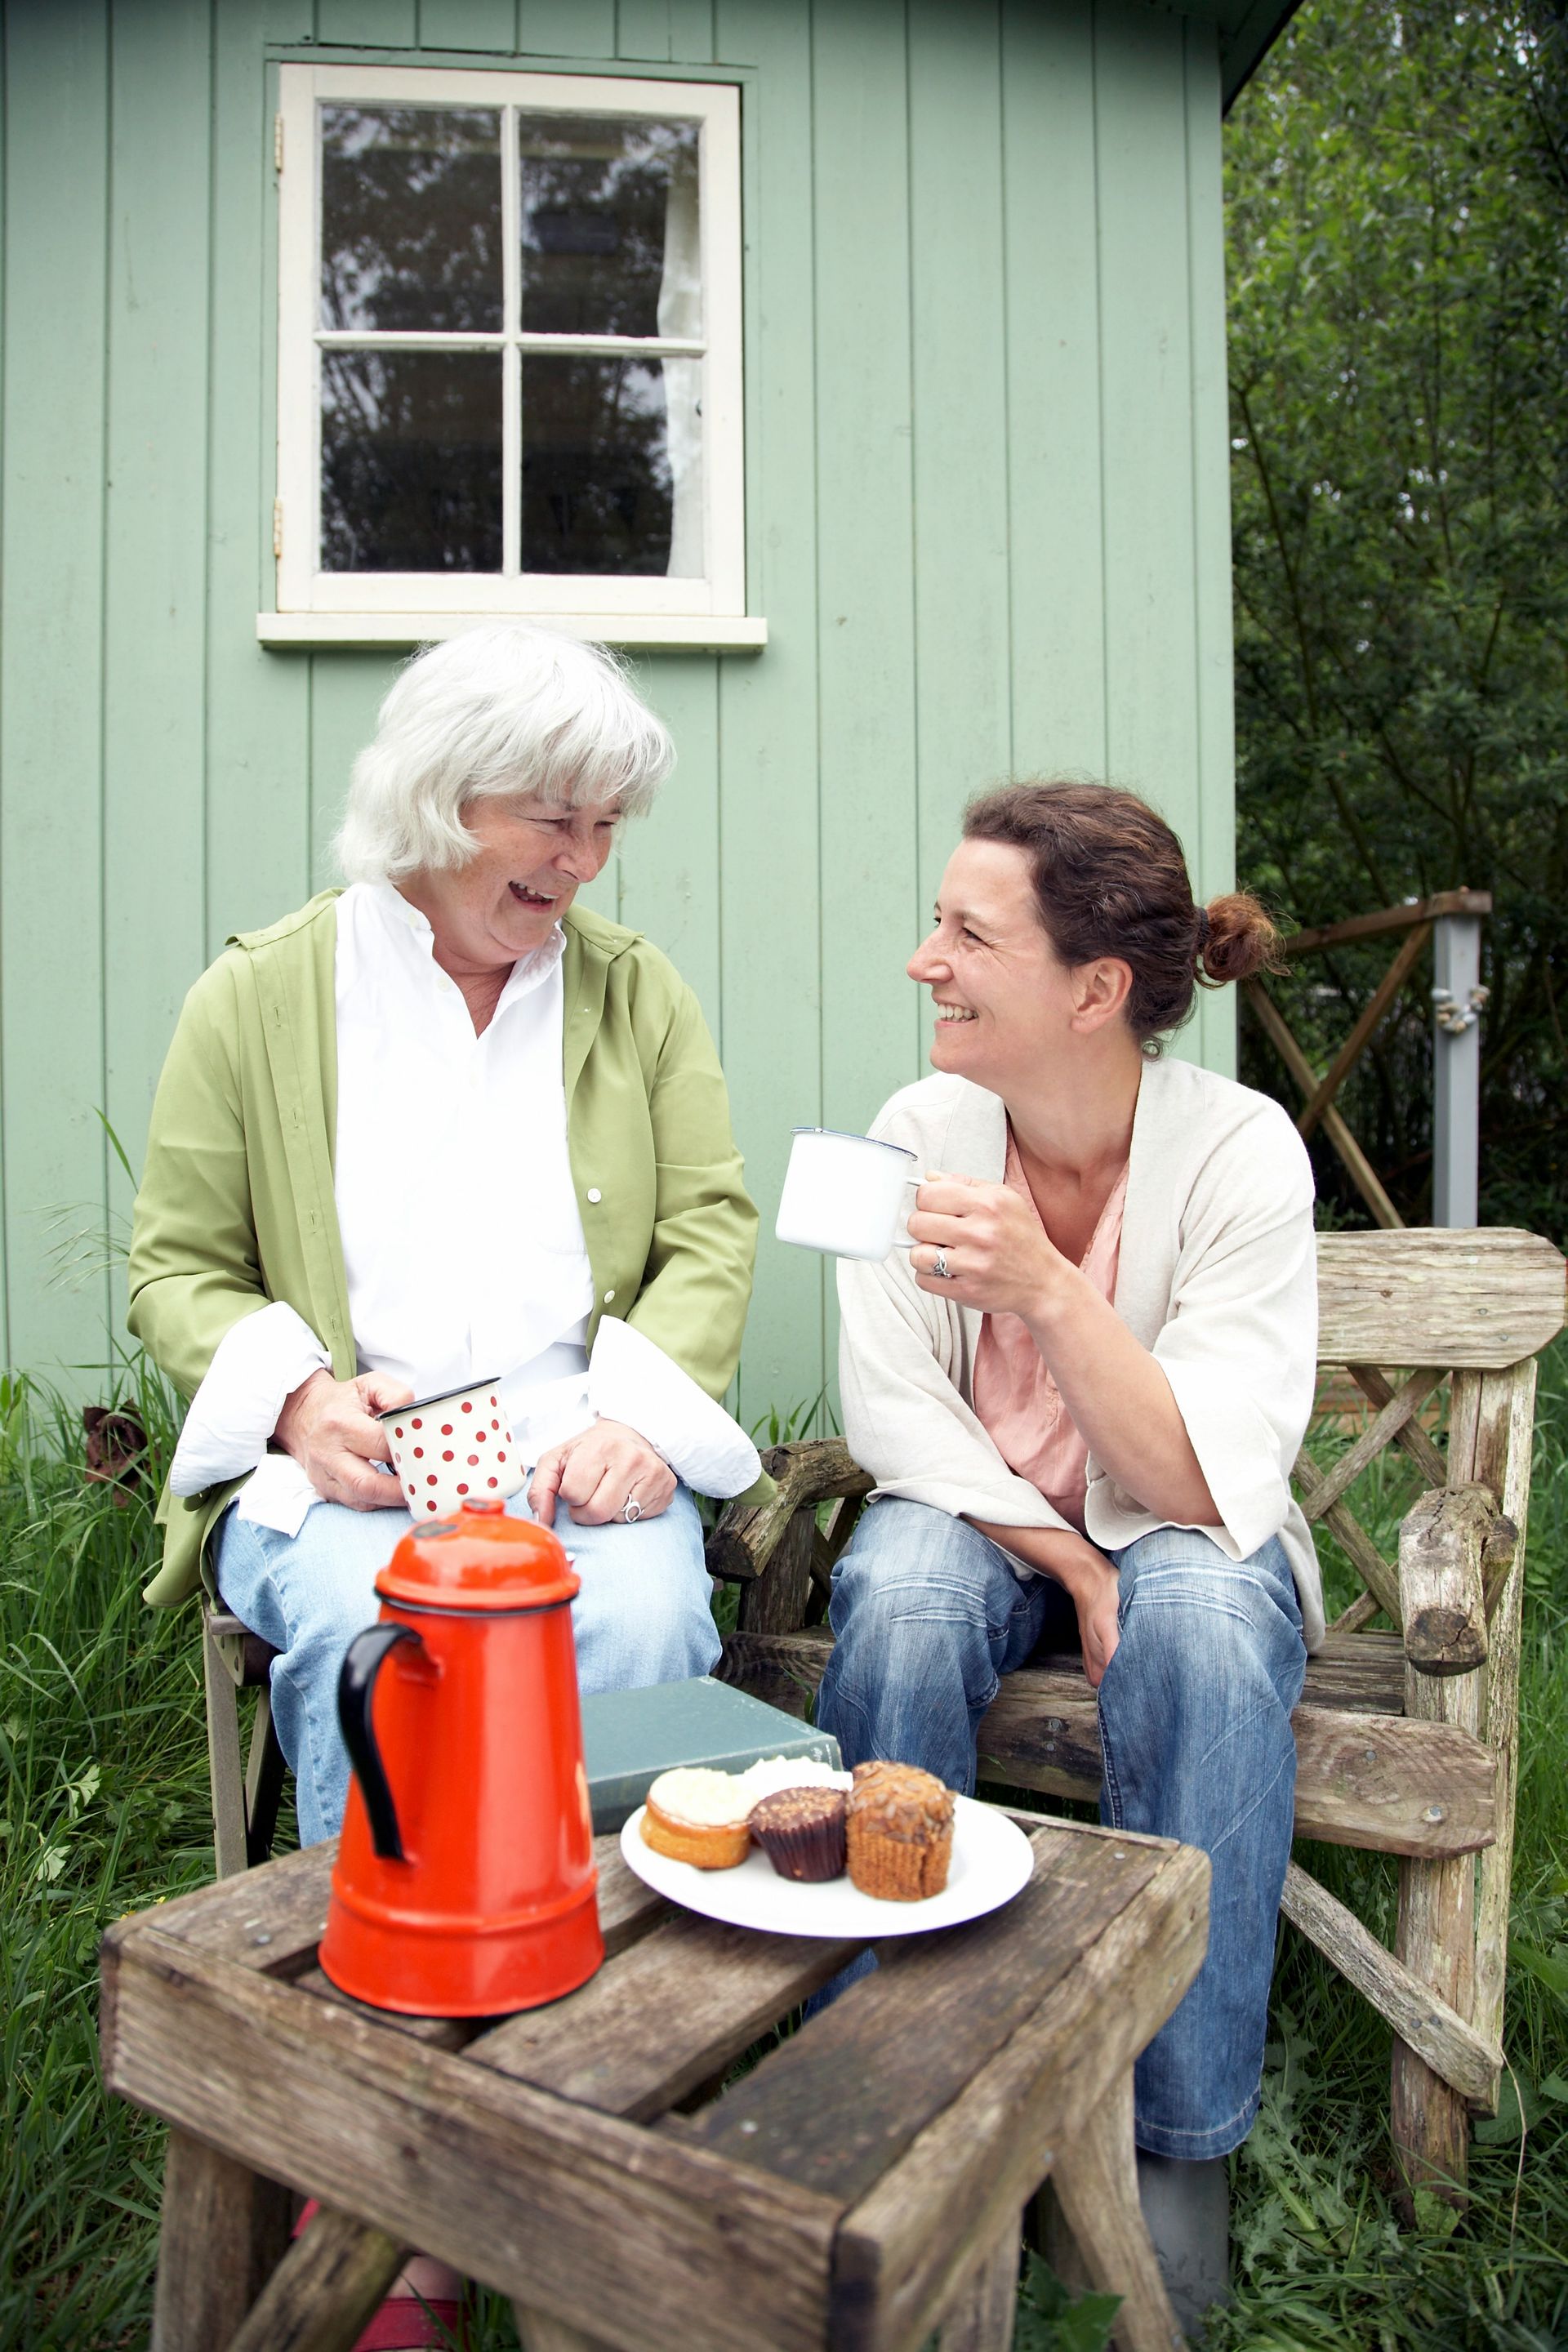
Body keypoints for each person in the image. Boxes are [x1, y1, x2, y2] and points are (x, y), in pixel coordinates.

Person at [815, 781, 1321, 2337]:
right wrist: (1068, 1567)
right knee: (896, 1598)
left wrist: (1046, 1286)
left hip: (1184, 1527)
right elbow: (894, 1408)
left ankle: (1174, 2154)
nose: (925, 961)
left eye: (968, 934)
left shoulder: (1244, 1155)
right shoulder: (919, 1130)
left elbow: (1193, 1477)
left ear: (1095, 992)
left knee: (1205, 1627)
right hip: (977, 1509)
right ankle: (893, 2089)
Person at [130, 621, 765, 1850]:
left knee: (642, 1630)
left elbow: (708, 1228)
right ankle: (380, 2002)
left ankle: (623, 2007)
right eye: (552, 819)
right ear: (436, 794)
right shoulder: (260, 997)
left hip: (576, 1455)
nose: (583, 862)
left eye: (607, 827)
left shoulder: (638, 994)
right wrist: (302, 1403)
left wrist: (637, 1423)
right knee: (388, 1635)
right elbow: (181, 1268)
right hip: (344, 1475)